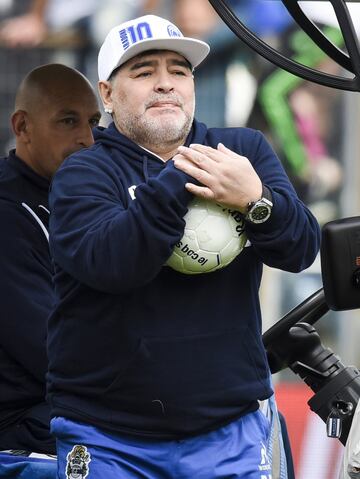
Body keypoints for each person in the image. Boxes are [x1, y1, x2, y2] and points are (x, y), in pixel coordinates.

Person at [47, 14, 321, 478]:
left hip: (230, 428)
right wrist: (179, 175)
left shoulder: (242, 150)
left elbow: (300, 249)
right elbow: (112, 265)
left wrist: (256, 201)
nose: (165, 84)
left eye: (179, 71)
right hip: (108, 436)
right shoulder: (82, 172)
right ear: (108, 94)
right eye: (143, 71)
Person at [0, 63, 101, 459]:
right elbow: (52, 355)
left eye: (93, 121)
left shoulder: (81, 195)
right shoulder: (8, 214)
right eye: (68, 121)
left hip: (65, 407)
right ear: (22, 127)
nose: (87, 139)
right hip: (23, 429)